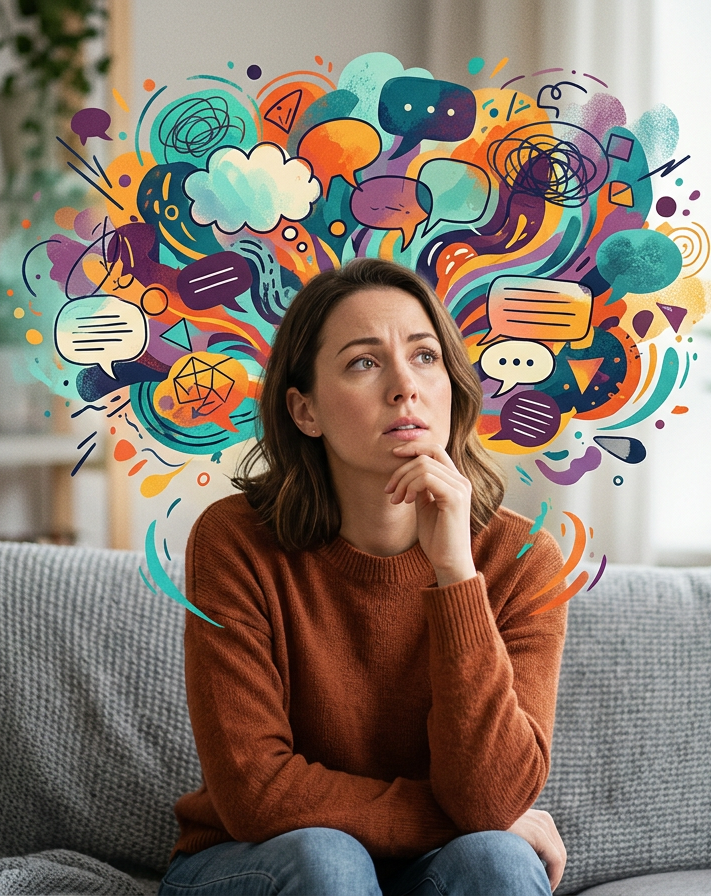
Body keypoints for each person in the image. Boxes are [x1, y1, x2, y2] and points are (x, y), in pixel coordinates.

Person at [159, 258, 569, 896]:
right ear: (305, 411)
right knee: (331, 862)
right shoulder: (233, 542)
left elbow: (490, 798)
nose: (405, 386)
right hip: (261, 861)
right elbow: (256, 793)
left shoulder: (521, 561)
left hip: (437, 870)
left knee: (497, 863)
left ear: (454, 385)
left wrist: (455, 574)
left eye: (425, 356)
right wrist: (452, 819)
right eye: (363, 362)